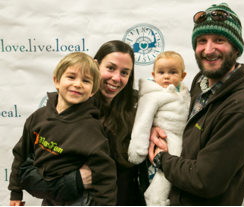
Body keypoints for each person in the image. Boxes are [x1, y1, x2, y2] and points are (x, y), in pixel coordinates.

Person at [149, 3, 244, 206]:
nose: (208, 50)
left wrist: (161, 159)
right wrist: (156, 129)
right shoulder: (199, 82)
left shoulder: (243, 107)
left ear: (236, 48)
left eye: (219, 40)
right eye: (202, 41)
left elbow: (205, 180)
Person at [16, 40, 149, 206]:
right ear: (95, 66)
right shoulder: (61, 113)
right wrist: (76, 180)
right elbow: (27, 174)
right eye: (110, 68)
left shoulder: (140, 112)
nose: (116, 78)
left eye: (125, 73)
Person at [8, 52, 117, 206]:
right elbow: (20, 155)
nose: (78, 84)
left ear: (93, 91)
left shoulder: (92, 129)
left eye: (86, 81)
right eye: (71, 77)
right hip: (49, 197)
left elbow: (105, 177)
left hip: (79, 200)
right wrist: (15, 192)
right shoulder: (37, 117)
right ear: (57, 81)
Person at [128, 51, 190, 206]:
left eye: (173, 72)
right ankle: (155, 199)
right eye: (161, 72)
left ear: (182, 76)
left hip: (183, 138)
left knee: (178, 173)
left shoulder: (184, 93)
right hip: (165, 139)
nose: (166, 76)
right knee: (164, 174)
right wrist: (137, 149)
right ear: (153, 74)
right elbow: (142, 121)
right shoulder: (151, 95)